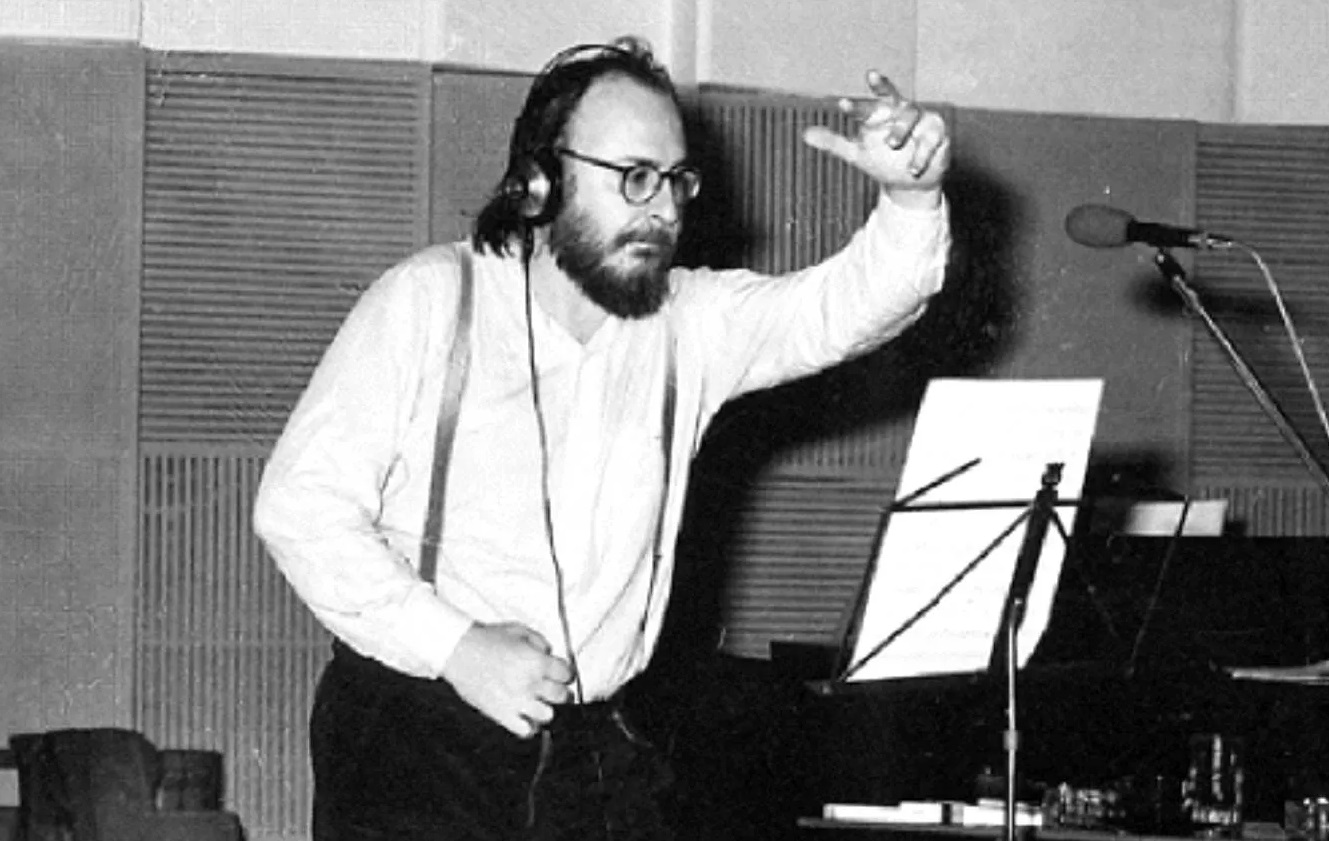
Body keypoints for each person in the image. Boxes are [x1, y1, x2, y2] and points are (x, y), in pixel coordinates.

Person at [253, 34, 952, 841]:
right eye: (634, 177)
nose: (664, 209)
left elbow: (848, 306)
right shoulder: (429, 302)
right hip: (419, 739)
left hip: (591, 750)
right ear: (540, 182)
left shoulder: (688, 323)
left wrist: (912, 198)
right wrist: (457, 647)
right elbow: (298, 508)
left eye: (677, 181)